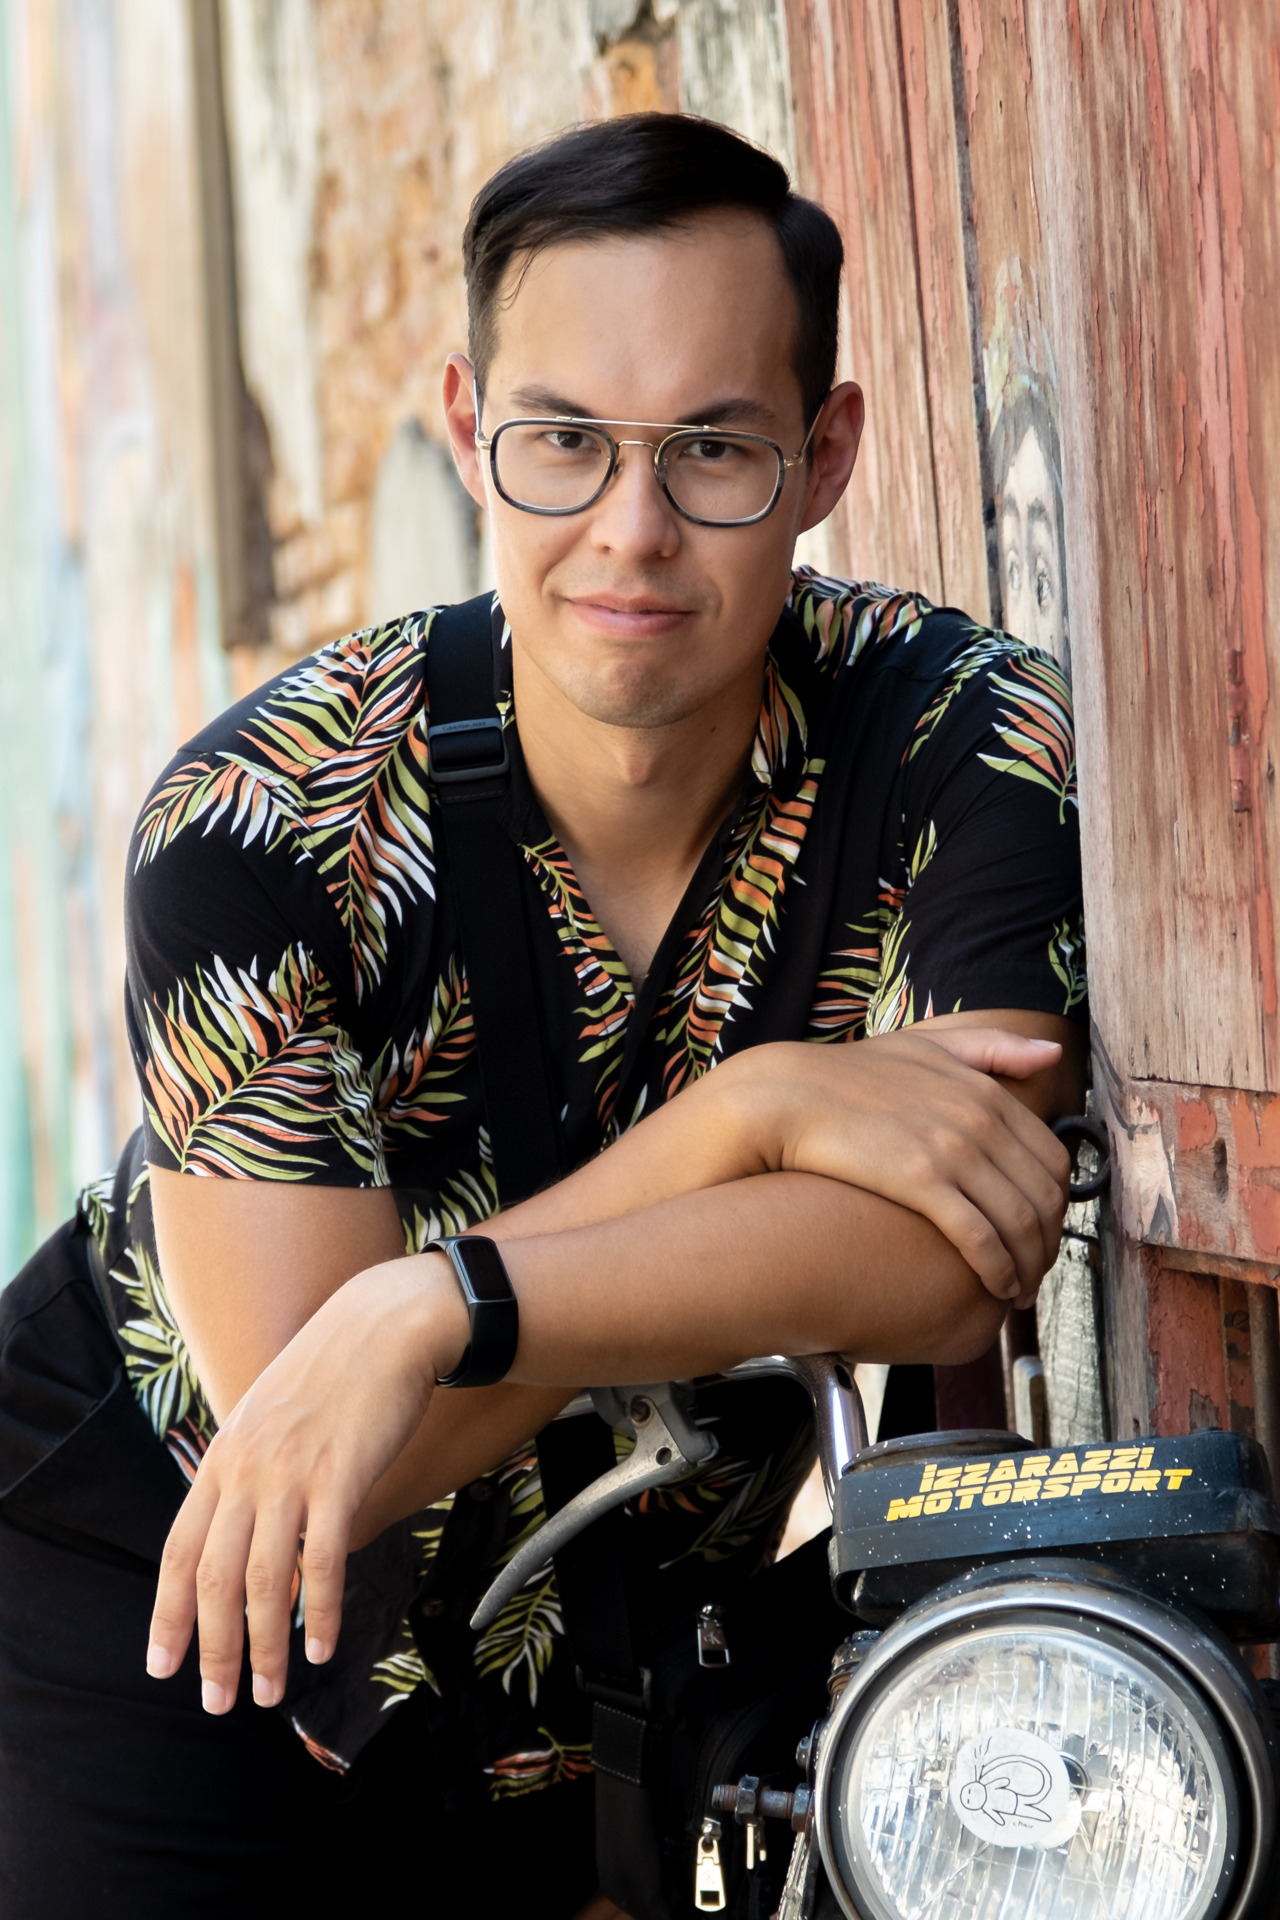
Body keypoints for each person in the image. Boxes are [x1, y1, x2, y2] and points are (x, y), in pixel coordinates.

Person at [0, 113, 1085, 1918]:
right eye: (565, 441)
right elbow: (315, 1452)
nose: (631, 533)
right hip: (153, 1579)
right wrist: (753, 1120)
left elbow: (952, 1252)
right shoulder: (260, 822)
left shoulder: (960, 743)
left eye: (712, 449)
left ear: (823, 456)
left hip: (606, 1652)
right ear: (466, 429)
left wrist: (431, 1307)